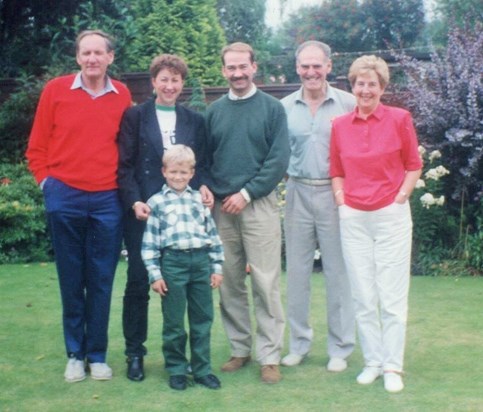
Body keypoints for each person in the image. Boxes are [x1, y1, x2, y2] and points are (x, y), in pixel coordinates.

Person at [25, 30, 132, 382]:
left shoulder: (122, 95)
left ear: (110, 57)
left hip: (106, 200)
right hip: (65, 197)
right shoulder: (55, 90)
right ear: (77, 57)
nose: (92, 59)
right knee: (71, 279)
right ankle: (75, 354)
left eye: (98, 53)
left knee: (101, 279)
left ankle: (97, 355)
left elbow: (127, 149)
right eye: (86, 53)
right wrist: (47, 185)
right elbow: (36, 146)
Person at [329, 55, 422, 393]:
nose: (365, 90)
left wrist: (400, 198)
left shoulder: (400, 119)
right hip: (353, 216)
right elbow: (336, 168)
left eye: (372, 84)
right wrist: (340, 197)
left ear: (382, 87)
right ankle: (372, 361)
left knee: (392, 296)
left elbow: (413, 165)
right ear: (352, 86)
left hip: (391, 216)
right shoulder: (339, 125)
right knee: (363, 295)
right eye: (359, 83)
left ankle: (393, 366)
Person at [117, 54, 213, 381]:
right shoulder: (135, 116)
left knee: (181, 284)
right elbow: (126, 166)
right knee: (138, 281)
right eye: (164, 79)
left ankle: (188, 358)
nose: (169, 85)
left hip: (183, 213)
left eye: (175, 80)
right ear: (154, 81)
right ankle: (135, 353)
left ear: (182, 84)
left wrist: (203, 189)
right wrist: (134, 202)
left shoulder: (194, 120)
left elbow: (203, 166)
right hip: (144, 211)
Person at [205, 42, 290, 384]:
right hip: (221, 209)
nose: (237, 73)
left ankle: (269, 355)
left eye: (243, 66)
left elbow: (278, 159)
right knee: (229, 283)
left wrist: (247, 192)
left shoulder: (272, 109)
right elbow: (206, 159)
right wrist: (213, 190)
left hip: (259, 205)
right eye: (231, 68)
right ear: (223, 70)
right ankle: (240, 349)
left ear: (254, 66)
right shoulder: (214, 112)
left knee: (265, 281)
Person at [280, 40, 356, 371]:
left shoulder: (348, 104)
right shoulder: (282, 107)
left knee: (338, 273)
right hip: (297, 191)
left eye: (317, 65)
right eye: (305, 66)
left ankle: (340, 348)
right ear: (297, 68)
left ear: (328, 66)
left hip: (335, 195)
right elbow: (276, 155)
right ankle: (299, 344)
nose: (311, 71)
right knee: (297, 273)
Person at [141, 144, 224, 391]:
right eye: (173, 172)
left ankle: (202, 370)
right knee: (174, 321)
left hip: (200, 264)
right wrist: (155, 275)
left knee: (202, 320)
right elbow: (149, 244)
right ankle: (177, 369)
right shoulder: (156, 203)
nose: (178, 177)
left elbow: (213, 235)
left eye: (183, 172)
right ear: (164, 171)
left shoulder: (199, 199)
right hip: (172, 265)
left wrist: (216, 267)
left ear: (192, 173)